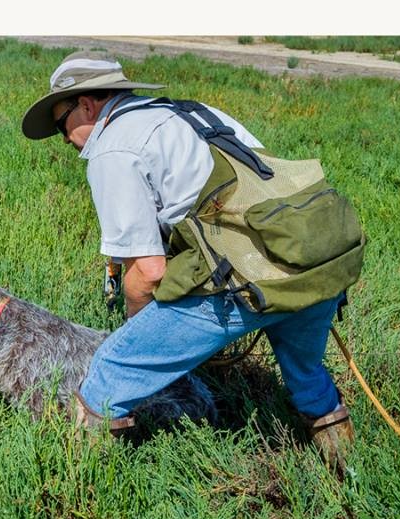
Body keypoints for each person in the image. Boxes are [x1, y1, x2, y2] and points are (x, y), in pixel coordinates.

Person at [21, 51, 354, 472]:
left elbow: (149, 271)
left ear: (87, 105)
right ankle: (349, 476)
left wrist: (135, 332)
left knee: (110, 370)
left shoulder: (113, 149)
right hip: (312, 262)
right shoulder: (194, 113)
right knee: (307, 376)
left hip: (249, 280)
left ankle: (85, 494)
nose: (64, 138)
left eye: (60, 123)